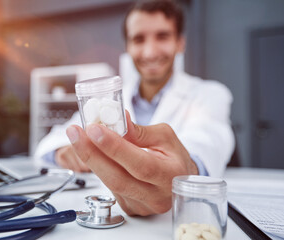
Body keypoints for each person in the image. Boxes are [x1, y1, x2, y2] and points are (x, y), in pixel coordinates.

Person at [34, 0, 235, 214]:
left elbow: (209, 142)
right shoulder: (108, 101)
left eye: (162, 36)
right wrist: (63, 153)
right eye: (139, 39)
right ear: (128, 47)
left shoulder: (210, 94)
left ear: (180, 43)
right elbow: (49, 144)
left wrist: (185, 169)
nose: (149, 52)